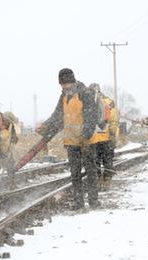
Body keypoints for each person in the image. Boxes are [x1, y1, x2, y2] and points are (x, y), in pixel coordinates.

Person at [37, 68, 100, 210]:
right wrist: (46, 127)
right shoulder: (64, 97)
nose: (65, 87)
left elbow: (91, 116)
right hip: (71, 142)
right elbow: (57, 116)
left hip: (87, 142)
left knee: (91, 172)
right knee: (75, 174)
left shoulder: (85, 94)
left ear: (73, 81)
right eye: (62, 84)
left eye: (67, 83)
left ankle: (94, 202)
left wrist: (86, 135)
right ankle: (79, 203)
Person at [88, 83, 120, 186]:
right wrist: (112, 134)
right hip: (102, 138)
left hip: (98, 139)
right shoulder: (109, 102)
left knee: (97, 161)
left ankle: (100, 182)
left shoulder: (92, 102)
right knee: (106, 161)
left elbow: (113, 120)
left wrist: (112, 133)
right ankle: (105, 181)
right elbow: (114, 120)